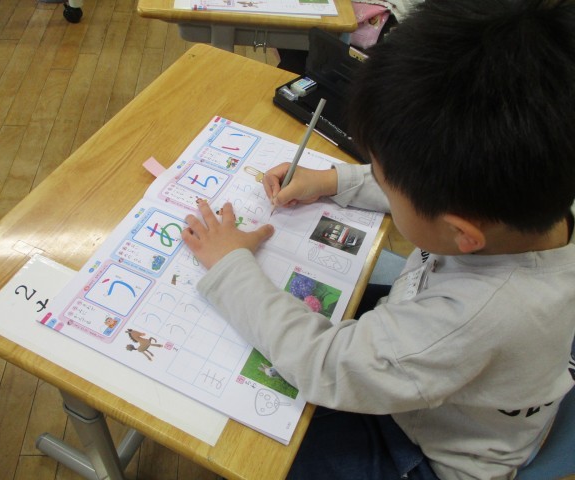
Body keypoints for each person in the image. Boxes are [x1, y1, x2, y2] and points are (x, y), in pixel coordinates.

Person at [181, 0, 575, 478]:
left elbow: (326, 366)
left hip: (425, 452)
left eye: (385, 181)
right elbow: (427, 186)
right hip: (440, 371)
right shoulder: (528, 199)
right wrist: (332, 181)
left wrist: (230, 267)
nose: (380, 182)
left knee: (253, 442)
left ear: (461, 233)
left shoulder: (473, 317)